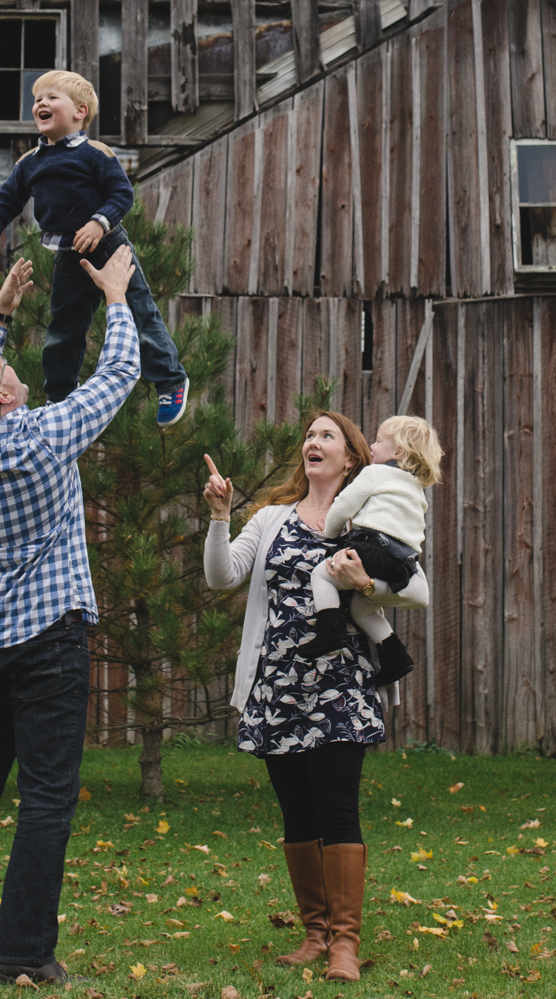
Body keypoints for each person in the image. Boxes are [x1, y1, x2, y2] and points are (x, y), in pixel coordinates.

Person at [0, 245, 139, 988]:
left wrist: (1, 310)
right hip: (47, 641)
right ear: (10, 398)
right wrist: (115, 298)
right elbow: (117, 376)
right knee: (46, 795)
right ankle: (22, 953)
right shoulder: (44, 439)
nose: (6, 365)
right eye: (4, 369)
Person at [201, 414, 431, 983]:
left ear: (352, 457)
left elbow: (416, 590)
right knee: (297, 812)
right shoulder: (272, 518)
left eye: (326, 435)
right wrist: (219, 516)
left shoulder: (369, 520)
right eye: (308, 435)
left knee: (336, 807)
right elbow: (222, 575)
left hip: (339, 685)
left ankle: (345, 944)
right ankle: (314, 933)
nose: (313, 442)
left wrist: (364, 585)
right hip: (278, 684)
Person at [0, 70, 191, 427]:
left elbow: (122, 194)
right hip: (67, 254)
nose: (40, 103)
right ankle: (59, 397)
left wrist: (98, 221)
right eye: (37, 100)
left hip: (109, 247)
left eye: (50, 98)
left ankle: (169, 380)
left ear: (80, 111)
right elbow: (7, 200)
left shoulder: (95, 154)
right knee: (63, 329)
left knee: (139, 314)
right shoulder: (29, 163)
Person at [295, 415, 445, 688]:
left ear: (397, 451)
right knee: (362, 608)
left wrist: (330, 532)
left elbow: (342, 506)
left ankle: (330, 631)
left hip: (373, 548)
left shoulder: (375, 473)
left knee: (322, 575)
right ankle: (395, 657)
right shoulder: (416, 488)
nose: (371, 447)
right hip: (403, 563)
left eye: (377, 441)